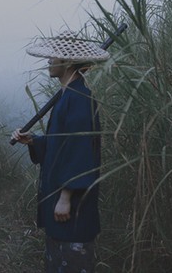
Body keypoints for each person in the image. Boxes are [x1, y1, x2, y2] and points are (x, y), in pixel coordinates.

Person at [11, 31, 110, 272]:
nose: (49, 61)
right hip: (61, 202)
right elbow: (61, 144)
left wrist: (66, 197)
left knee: (72, 260)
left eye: (53, 57)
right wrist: (34, 141)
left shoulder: (79, 98)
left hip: (72, 206)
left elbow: (80, 150)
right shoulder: (69, 95)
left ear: (66, 62)